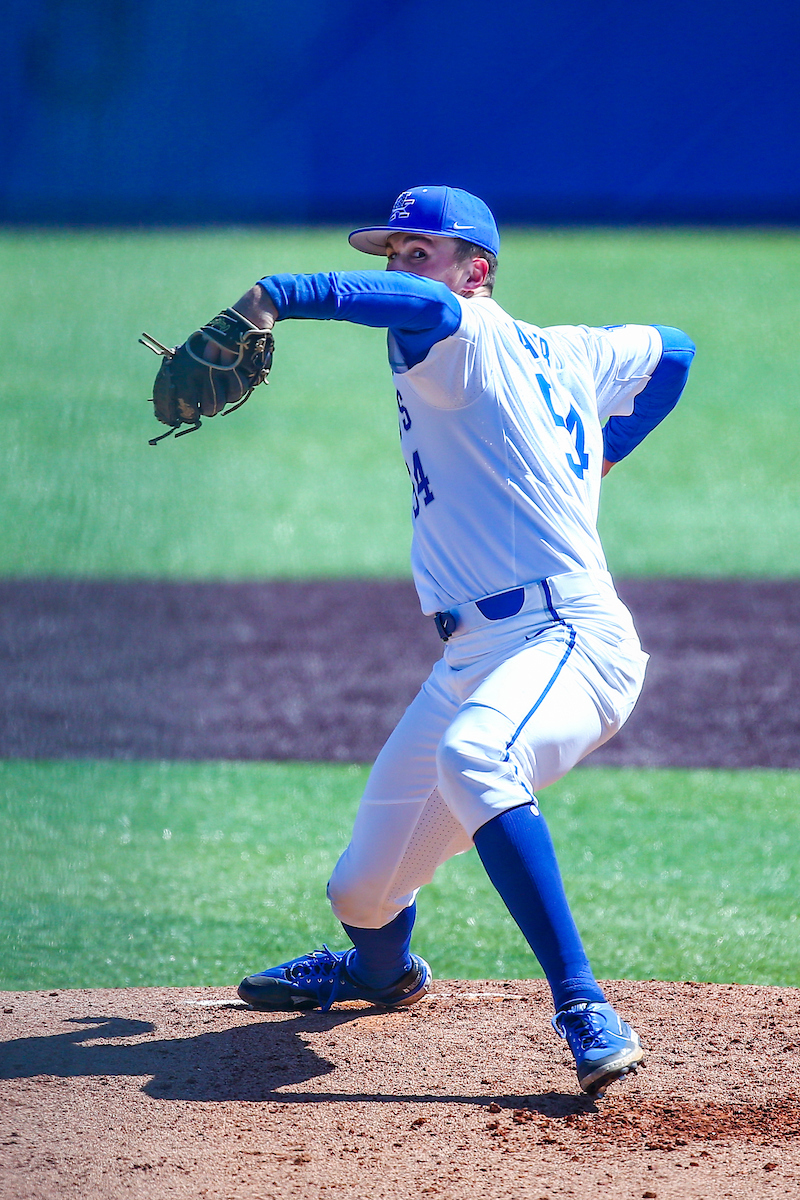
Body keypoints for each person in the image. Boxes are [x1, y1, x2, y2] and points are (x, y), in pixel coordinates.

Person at [211, 185, 695, 1097]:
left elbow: (434, 308)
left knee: (479, 759)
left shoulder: (459, 330)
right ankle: (380, 973)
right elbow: (672, 351)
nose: (401, 268)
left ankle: (584, 1004)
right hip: (473, 656)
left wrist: (277, 293)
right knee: (360, 894)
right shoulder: (571, 351)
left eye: (419, 251)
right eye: (391, 254)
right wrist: (602, 447)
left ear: (477, 270)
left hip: (568, 637)